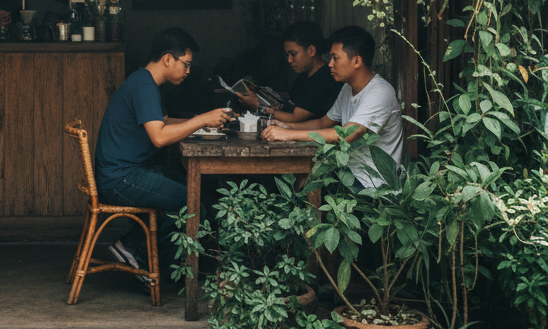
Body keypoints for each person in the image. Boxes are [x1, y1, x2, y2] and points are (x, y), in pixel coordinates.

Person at [94, 27, 233, 281]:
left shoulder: (144, 81)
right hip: (122, 178)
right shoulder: (144, 86)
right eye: (186, 64)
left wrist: (204, 122)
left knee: (193, 190)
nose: (188, 71)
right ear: (168, 59)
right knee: (190, 203)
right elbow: (159, 137)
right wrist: (202, 119)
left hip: (127, 172)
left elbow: (164, 122)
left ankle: (154, 256)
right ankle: (132, 247)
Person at [262, 25, 405, 189]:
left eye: (335, 58)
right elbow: (323, 123)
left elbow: (346, 135)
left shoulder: (380, 93)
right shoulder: (347, 88)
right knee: (298, 177)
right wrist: (284, 126)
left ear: (356, 61)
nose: (330, 64)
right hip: (348, 175)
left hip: (373, 186)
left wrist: (288, 134)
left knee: (300, 181)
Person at [235, 22, 340, 124]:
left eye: (293, 54)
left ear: (311, 51)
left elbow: (295, 117)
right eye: (287, 55)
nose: (289, 60)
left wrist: (258, 105)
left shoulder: (324, 79)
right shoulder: (303, 76)